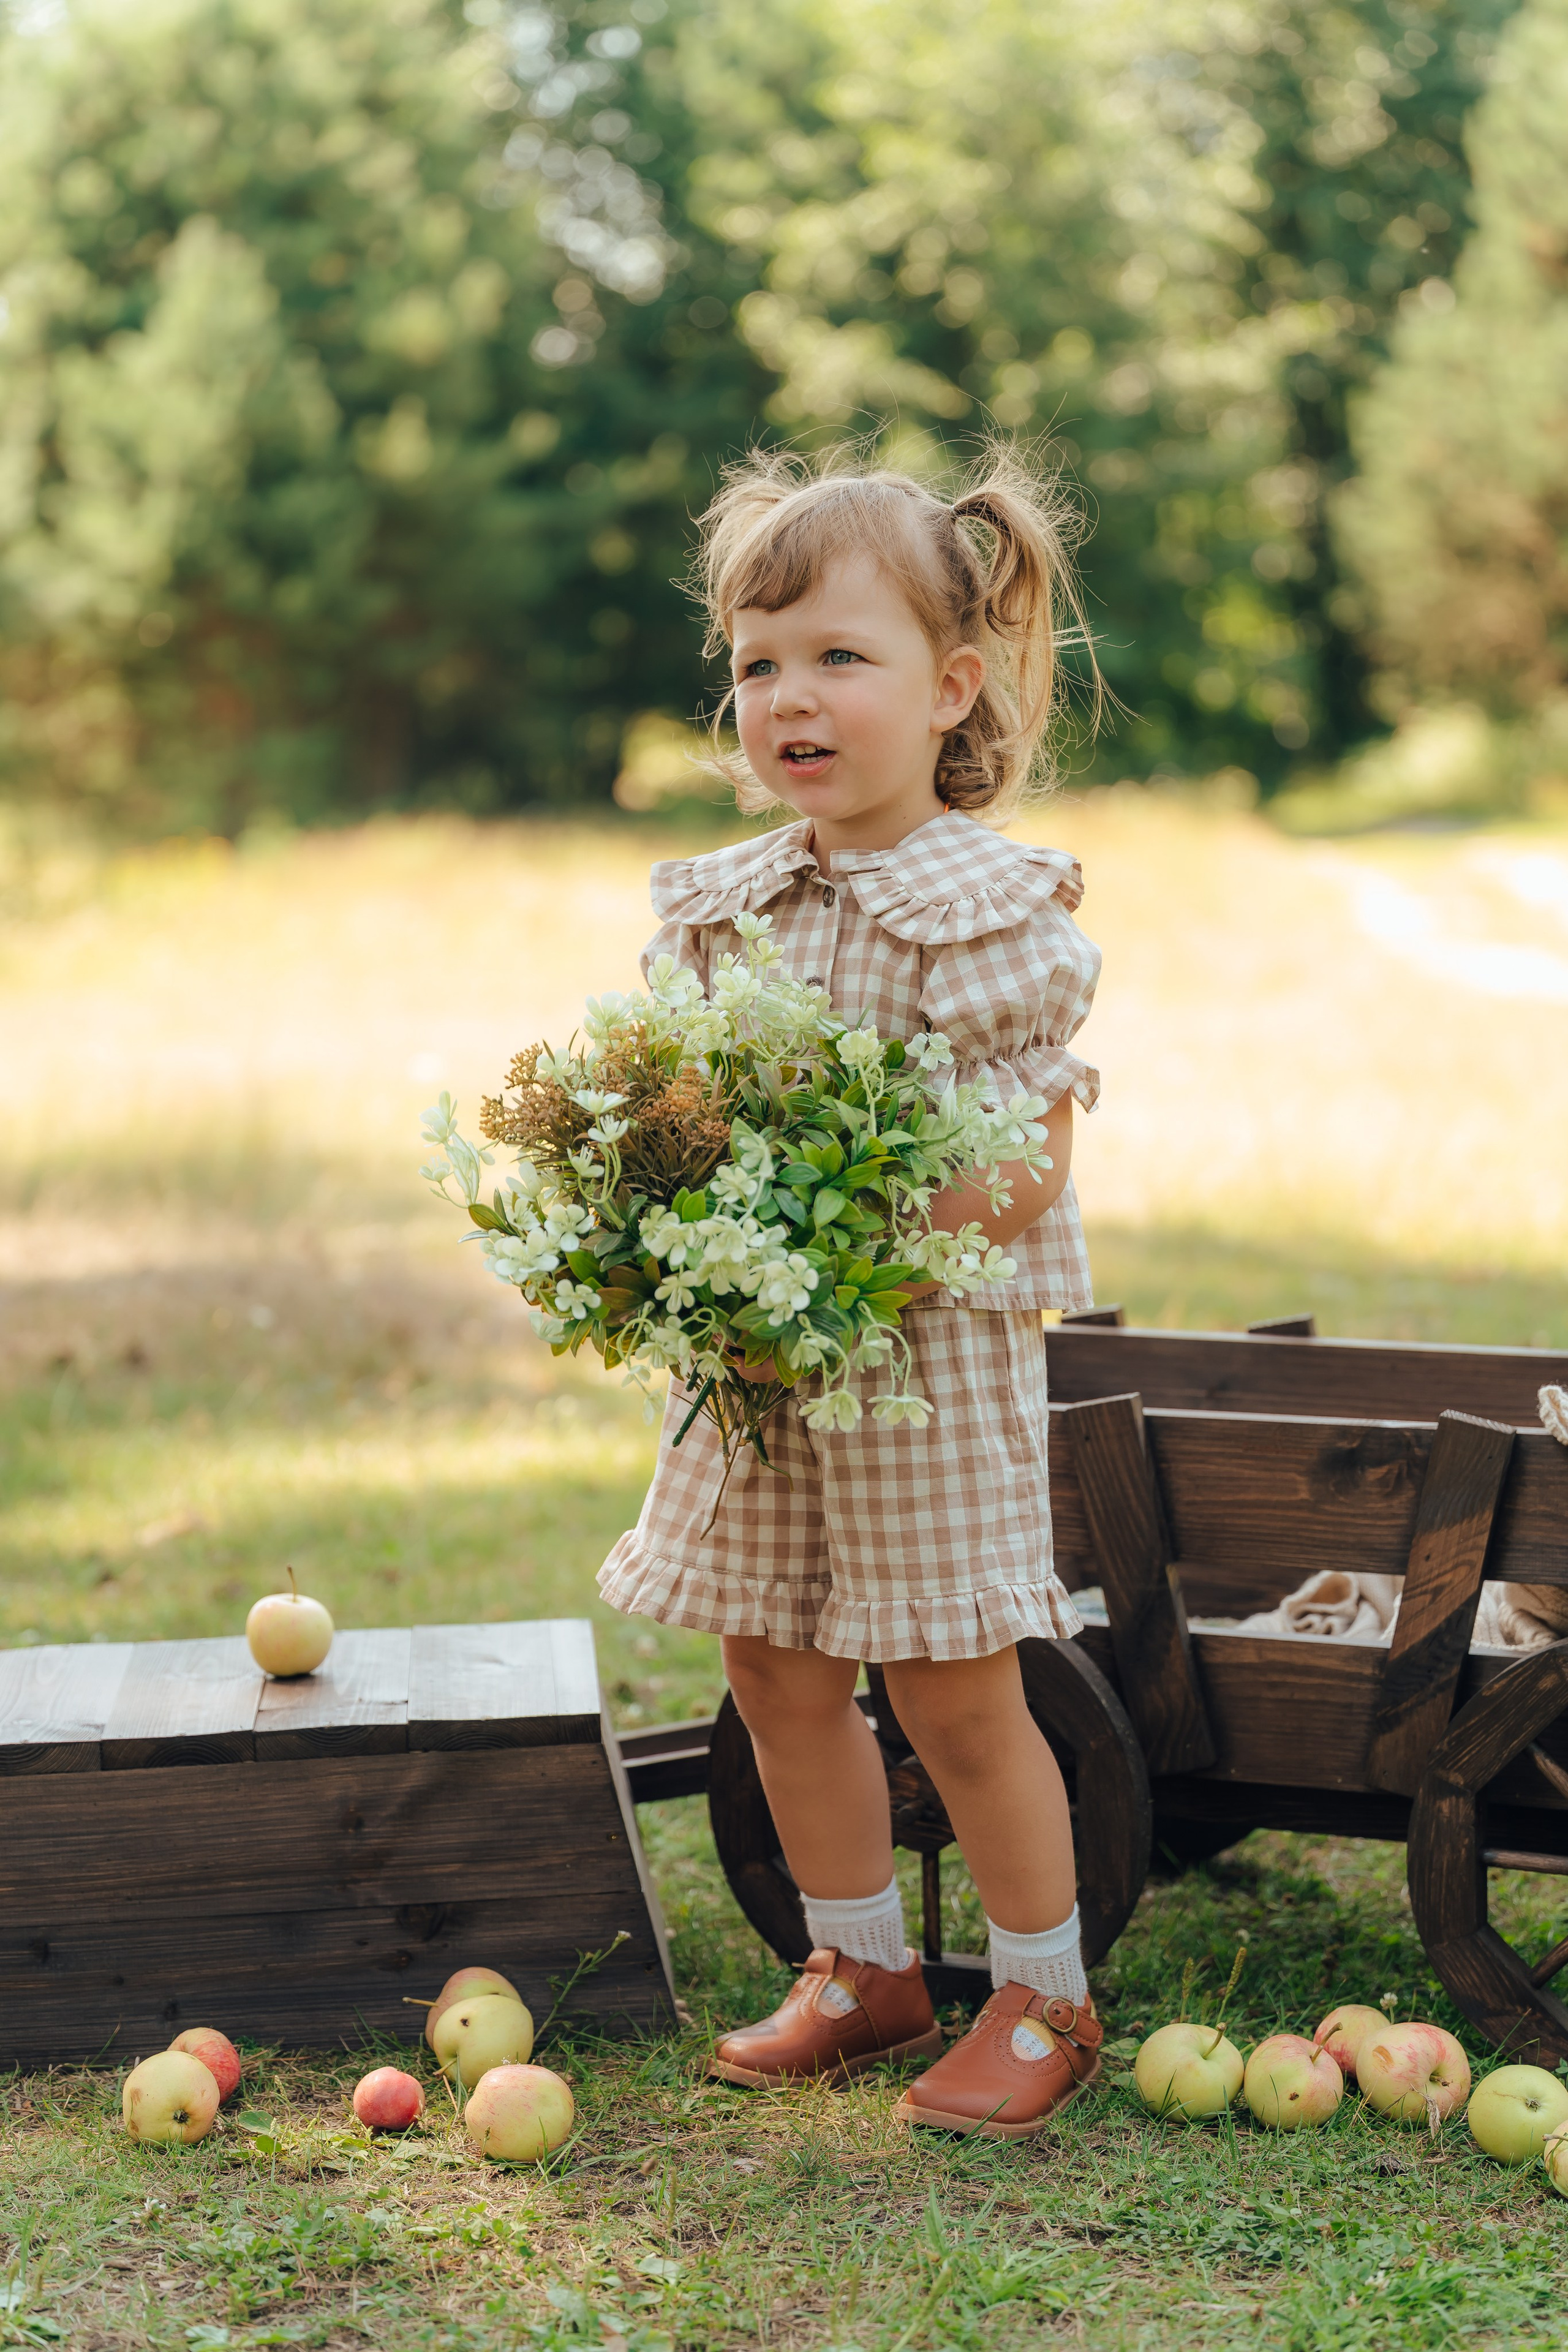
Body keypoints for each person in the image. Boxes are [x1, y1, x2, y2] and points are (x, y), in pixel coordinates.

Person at [598, 444, 1105, 2138]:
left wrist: (849, 1273)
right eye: (758, 665)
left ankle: (1044, 1996)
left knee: (953, 1681)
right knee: (774, 1663)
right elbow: (682, 1118)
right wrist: (668, 1240)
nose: (790, 698)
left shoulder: (984, 907)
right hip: (760, 1365)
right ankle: (861, 1967)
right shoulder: (724, 907)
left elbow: (1029, 1153)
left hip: (920, 1361)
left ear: (952, 686)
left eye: (839, 657)